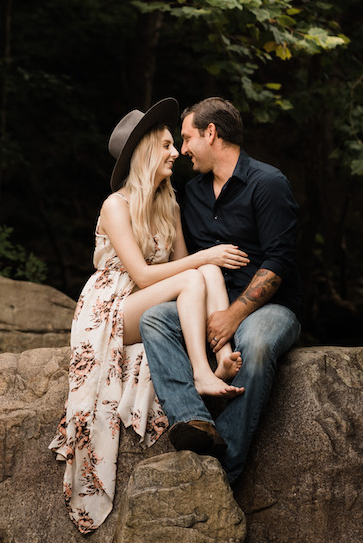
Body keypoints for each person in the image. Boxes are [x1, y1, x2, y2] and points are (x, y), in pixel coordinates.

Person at [49, 98, 250, 533]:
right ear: (144, 153)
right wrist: (204, 257)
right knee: (200, 269)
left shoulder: (168, 204)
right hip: (111, 307)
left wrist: (206, 260)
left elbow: (185, 266)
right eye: (165, 145)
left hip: (150, 299)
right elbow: (141, 273)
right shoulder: (115, 206)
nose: (175, 151)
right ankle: (200, 373)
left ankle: (221, 358)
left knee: (206, 270)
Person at [139, 97, 302, 483]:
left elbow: (279, 262)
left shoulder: (268, 183)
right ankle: (193, 420)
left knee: (256, 346)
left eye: (187, 138)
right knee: (154, 320)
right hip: (208, 302)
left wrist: (233, 316)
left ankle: (222, 471)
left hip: (269, 308)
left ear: (211, 134)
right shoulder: (192, 193)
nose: (182, 150)